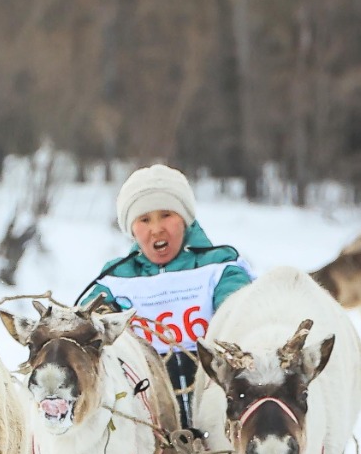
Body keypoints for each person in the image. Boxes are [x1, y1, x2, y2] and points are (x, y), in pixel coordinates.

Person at [77, 164, 252, 430]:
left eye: (166, 215)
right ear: (132, 229)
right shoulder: (117, 278)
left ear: (184, 219)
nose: (157, 229)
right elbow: (83, 325)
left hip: (216, 409)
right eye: (144, 220)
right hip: (149, 416)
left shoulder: (218, 266)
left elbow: (239, 309)